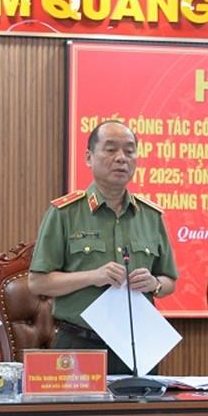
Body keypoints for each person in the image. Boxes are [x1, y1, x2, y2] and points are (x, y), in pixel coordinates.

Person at [27, 120, 178, 375]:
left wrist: (155, 284)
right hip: (79, 345)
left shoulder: (150, 216)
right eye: (110, 149)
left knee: (143, 403)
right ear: (89, 157)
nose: (121, 158)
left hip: (137, 346)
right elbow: (37, 283)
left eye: (129, 151)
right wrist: (93, 276)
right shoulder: (65, 213)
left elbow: (169, 281)